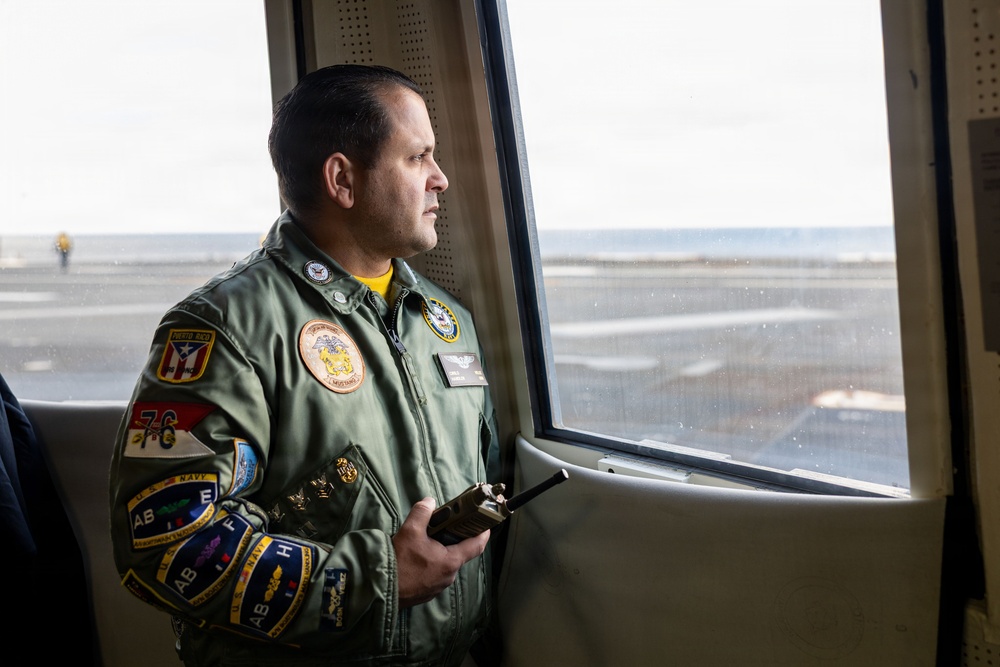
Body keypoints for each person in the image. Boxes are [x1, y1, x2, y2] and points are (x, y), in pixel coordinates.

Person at [108, 64, 501, 667]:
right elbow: (166, 541)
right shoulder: (224, 327)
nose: (441, 179)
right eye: (418, 157)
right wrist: (378, 579)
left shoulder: (442, 321)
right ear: (343, 179)